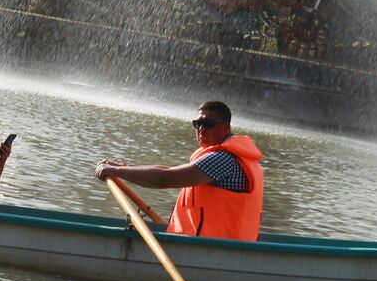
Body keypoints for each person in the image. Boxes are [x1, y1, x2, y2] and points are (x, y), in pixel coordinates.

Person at [94, 100, 264, 241]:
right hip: (214, 245)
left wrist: (115, 171)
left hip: (217, 250)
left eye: (208, 124)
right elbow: (166, 170)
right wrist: (121, 168)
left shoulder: (223, 159)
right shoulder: (230, 154)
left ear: (226, 128)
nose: (201, 129)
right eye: (197, 124)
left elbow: (165, 179)